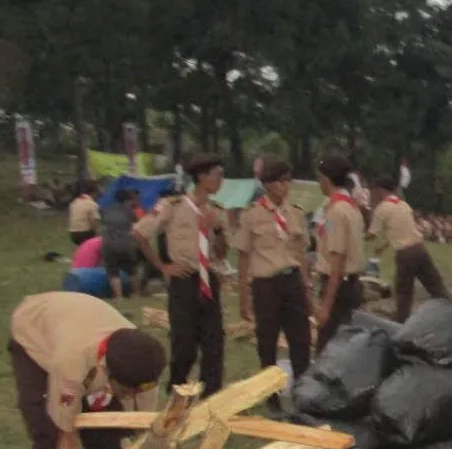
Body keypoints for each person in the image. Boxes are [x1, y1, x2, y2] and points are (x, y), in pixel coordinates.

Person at [8, 292, 166, 449]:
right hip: (34, 331)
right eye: (125, 391)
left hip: (79, 324)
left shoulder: (144, 364)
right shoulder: (71, 368)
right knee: (48, 429)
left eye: (137, 391)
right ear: (108, 372)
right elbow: (66, 434)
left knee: (109, 428)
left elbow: (144, 427)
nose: (130, 397)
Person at [134, 153, 228, 397]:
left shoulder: (216, 210)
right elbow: (140, 234)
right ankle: (177, 388)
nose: (221, 181)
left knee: (214, 342)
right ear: (201, 176)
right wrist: (162, 266)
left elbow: (222, 252)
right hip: (184, 280)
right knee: (184, 343)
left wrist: (216, 229)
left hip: (209, 279)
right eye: (217, 175)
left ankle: (211, 395)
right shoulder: (173, 205)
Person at [235, 160, 313, 391]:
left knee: (301, 338)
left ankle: (302, 389)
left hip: (292, 280)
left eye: (288, 180)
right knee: (267, 340)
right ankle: (270, 394)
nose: (285, 186)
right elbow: (243, 256)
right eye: (280, 181)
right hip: (266, 284)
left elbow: (301, 254)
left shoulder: (295, 213)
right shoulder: (252, 215)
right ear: (267, 184)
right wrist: (243, 296)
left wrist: (306, 287)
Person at [367, 176, 449, 322]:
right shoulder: (404, 205)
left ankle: (401, 321)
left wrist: (357, 232)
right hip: (420, 249)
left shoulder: (382, 208)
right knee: (436, 287)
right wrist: (383, 247)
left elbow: (371, 235)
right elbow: (400, 231)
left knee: (403, 293)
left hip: (405, 254)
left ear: (380, 191)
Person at [313, 153, 367, 353]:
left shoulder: (336, 212)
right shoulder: (352, 208)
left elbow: (338, 258)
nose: (319, 182)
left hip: (338, 287)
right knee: (346, 348)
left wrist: (326, 305)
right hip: (351, 285)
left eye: (319, 178)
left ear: (326, 179)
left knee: (326, 349)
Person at [100, 189, 141, 299]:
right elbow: (136, 226)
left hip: (109, 244)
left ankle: (119, 296)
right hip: (125, 244)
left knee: (113, 271)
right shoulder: (130, 212)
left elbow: (104, 224)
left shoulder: (107, 210)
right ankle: (136, 294)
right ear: (127, 200)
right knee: (132, 270)